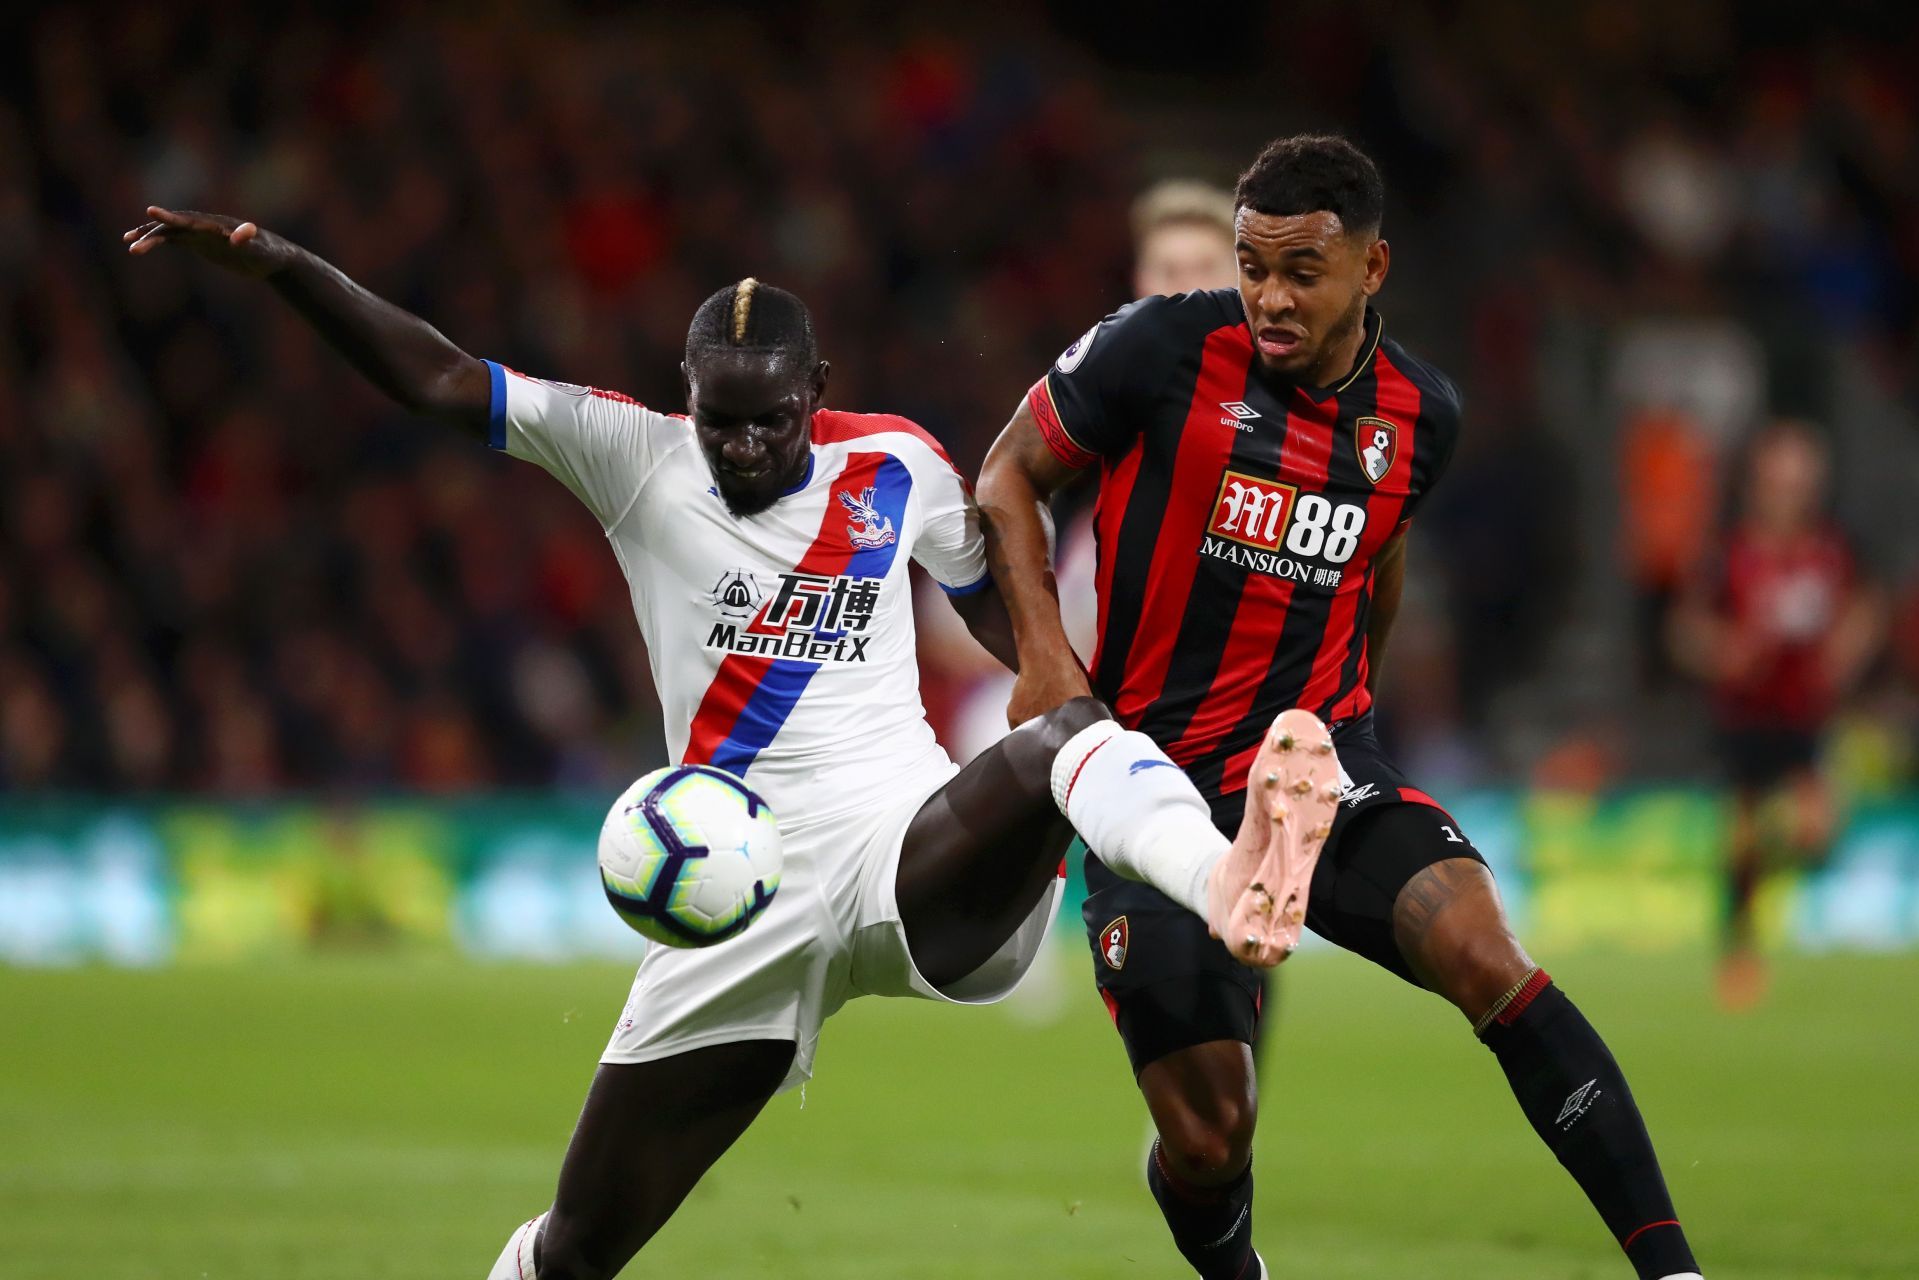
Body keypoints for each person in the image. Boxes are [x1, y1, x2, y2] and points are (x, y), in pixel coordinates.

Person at [123, 206, 1341, 1280]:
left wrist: (1052, 669)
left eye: (771, 421)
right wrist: (283, 267)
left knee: (1064, 737)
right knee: (578, 1246)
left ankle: (1226, 870)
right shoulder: (632, 454)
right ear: (686, 394)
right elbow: (444, 379)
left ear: (819, 387)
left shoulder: (899, 464)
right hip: (731, 895)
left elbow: (993, 602)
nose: (745, 447)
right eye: (723, 421)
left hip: (900, 846)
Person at [976, 135, 1704, 1280]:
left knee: (1485, 951)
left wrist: (1347, 713)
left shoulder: (1424, 414)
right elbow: (1007, 473)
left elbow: (1383, 555)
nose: (1269, 296)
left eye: (1301, 271)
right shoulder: (1163, 346)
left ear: (1372, 269)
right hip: (1153, 784)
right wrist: (1047, 663)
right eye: (1253, 264)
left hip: (1317, 769)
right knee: (1212, 1132)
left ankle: (1674, 1269)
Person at [1671, 419, 1881, 1008]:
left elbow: (1869, 605)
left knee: (1816, 834)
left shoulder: (1833, 551)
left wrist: (1847, 648)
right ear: (1757, 482)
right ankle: (1738, 952)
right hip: (1744, 720)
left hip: (1804, 719)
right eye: (1779, 477)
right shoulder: (1730, 553)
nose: (1790, 490)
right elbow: (1684, 630)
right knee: (1740, 840)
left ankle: (1759, 872)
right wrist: (1724, 651)